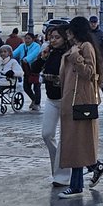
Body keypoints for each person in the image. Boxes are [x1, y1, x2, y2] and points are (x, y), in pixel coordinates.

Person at [58, 16, 103, 196]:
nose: (68, 34)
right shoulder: (74, 47)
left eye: (70, 30)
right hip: (70, 100)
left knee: (77, 143)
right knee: (75, 143)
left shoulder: (85, 47)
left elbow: (89, 72)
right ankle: (94, 167)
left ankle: (77, 185)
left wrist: (75, 57)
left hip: (80, 101)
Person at [30, 23, 72, 186]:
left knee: (65, 138)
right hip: (51, 98)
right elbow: (34, 69)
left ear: (65, 38)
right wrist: (42, 57)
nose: (53, 40)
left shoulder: (70, 53)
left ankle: (62, 176)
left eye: (57, 37)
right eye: (51, 37)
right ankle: (57, 166)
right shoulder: (50, 52)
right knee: (47, 134)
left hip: (66, 98)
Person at [15, 32, 42, 112]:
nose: (27, 40)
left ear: (33, 39)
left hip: (35, 68)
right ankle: (34, 99)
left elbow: (34, 54)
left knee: (36, 87)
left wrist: (26, 59)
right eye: (26, 38)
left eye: (29, 38)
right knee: (26, 87)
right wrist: (7, 56)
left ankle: (37, 103)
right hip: (26, 69)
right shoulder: (22, 46)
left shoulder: (37, 46)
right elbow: (14, 53)